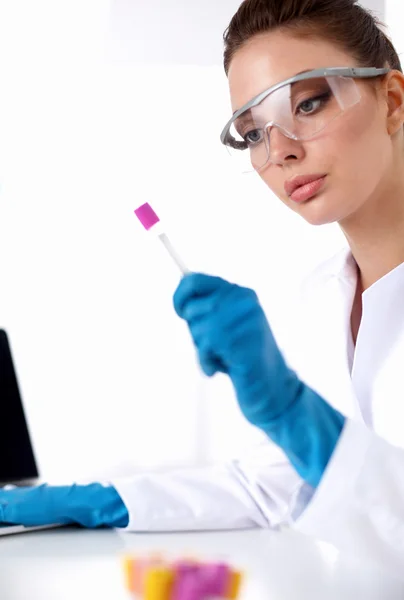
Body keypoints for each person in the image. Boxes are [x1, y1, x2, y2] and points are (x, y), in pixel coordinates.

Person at [2, 0, 404, 569]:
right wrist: (109, 500)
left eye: (308, 104)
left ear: (391, 99)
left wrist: (294, 413)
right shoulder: (322, 297)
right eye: (252, 133)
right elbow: (279, 486)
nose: (282, 150)